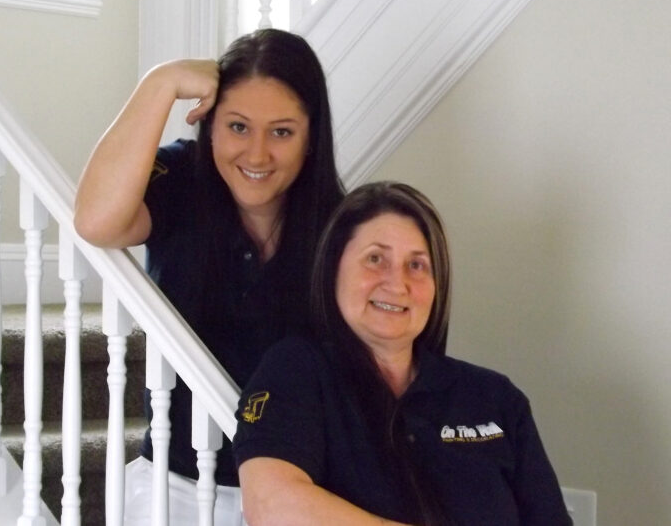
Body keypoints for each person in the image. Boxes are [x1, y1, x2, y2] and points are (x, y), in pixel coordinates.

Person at [74, 28, 345, 525]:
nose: (257, 154)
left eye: (281, 132)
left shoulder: (342, 228)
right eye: (238, 127)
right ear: (210, 124)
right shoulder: (182, 178)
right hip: (174, 484)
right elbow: (96, 220)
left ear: (311, 138)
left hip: (295, 495)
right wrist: (161, 83)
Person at [233, 181, 572, 526]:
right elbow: (271, 505)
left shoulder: (497, 398)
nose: (397, 284)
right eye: (375, 259)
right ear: (335, 268)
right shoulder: (296, 370)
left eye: (417, 265)